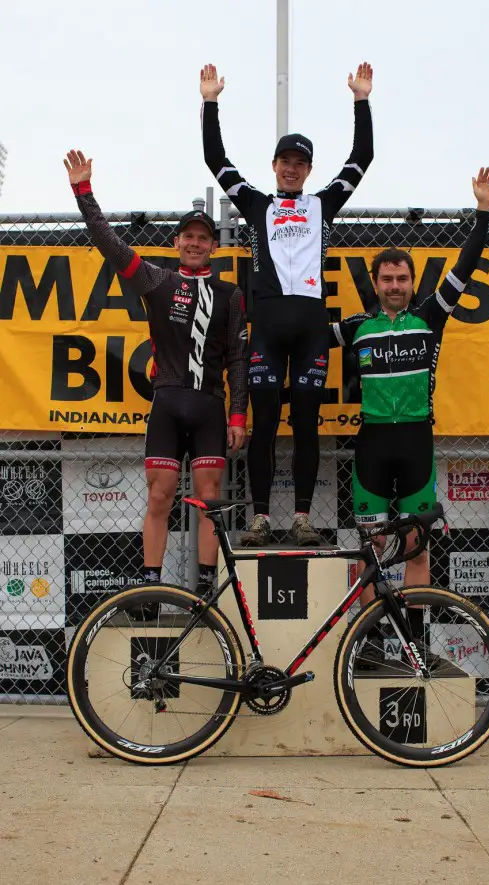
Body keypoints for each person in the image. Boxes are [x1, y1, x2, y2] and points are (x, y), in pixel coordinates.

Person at [200, 62, 374, 547]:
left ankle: (300, 518)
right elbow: (216, 159)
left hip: (313, 331)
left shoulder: (323, 204)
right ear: (274, 166)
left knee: (305, 427)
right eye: (285, 161)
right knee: (265, 427)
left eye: (300, 162)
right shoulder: (256, 205)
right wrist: (210, 102)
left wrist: (361, 100)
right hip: (270, 331)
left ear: (309, 170)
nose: (292, 168)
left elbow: (363, 156)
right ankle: (259, 519)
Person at [330, 167, 489, 664]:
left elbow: (464, 267)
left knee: (417, 548)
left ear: (411, 282)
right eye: (388, 278)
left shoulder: (430, 317)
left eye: (403, 278)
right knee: (373, 548)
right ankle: (371, 645)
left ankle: (415, 644)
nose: (396, 285)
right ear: (376, 284)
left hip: (417, 443)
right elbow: (304, 339)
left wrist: (483, 212)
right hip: (372, 444)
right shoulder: (358, 328)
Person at [64, 150, 248, 605]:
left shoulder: (230, 293)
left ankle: (204, 588)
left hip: (209, 405)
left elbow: (239, 359)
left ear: (214, 246)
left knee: (208, 499)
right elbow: (110, 245)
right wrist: (84, 192)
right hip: (166, 403)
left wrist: (239, 413)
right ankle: (149, 587)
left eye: (203, 238)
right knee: (160, 497)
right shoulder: (156, 280)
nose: (195, 243)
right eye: (188, 236)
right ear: (177, 242)